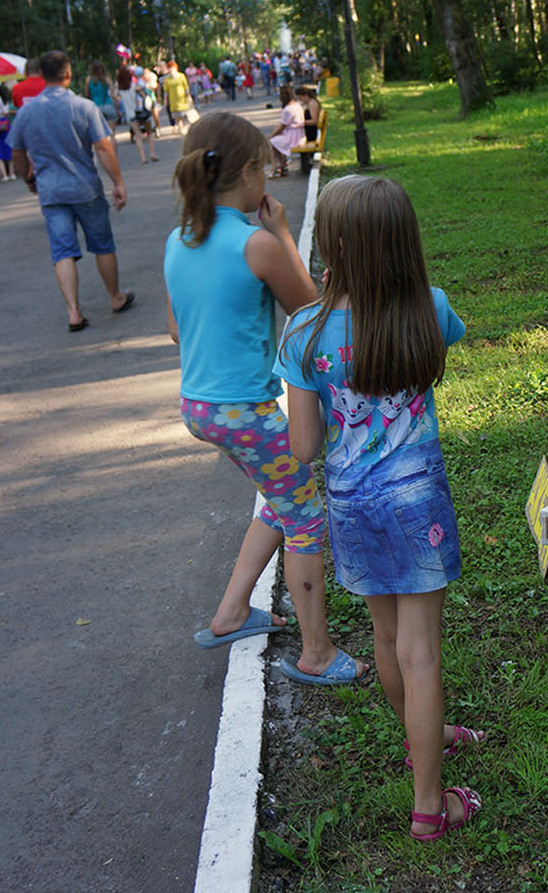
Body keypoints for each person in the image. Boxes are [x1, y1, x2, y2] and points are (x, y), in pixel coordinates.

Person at [275, 175, 484, 840]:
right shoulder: (431, 306)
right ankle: (430, 803)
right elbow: (438, 344)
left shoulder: (305, 330)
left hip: (352, 503)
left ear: (332, 246)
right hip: (417, 496)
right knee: (422, 651)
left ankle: (422, 740)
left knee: (388, 640)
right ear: (401, 241)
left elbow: (305, 445)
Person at [164, 111, 367, 686]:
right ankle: (317, 654)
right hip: (245, 412)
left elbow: (178, 331)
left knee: (281, 496)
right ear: (250, 172)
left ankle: (231, 613)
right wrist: (280, 232)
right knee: (306, 516)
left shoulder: (179, 240)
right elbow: (311, 312)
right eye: (267, 167)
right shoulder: (256, 243)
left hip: (200, 408)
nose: (270, 178)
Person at [9, 50, 135, 331]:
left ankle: (74, 312)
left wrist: (28, 178)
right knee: (102, 245)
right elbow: (103, 147)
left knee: (62, 251)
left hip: (51, 192)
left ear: (42, 75)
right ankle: (115, 297)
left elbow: (17, 150)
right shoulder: (84, 106)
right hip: (85, 189)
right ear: (67, 74)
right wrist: (117, 182)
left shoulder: (27, 112)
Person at [268, 85, 305, 177]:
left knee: (271, 142)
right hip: (300, 134)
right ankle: (283, 165)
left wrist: (272, 135)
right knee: (276, 141)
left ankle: (276, 168)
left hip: (293, 137)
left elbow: (282, 126)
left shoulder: (288, 109)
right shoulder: (297, 105)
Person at [85, 61, 118, 139]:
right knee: (112, 134)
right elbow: (113, 95)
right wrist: (117, 108)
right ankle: (113, 150)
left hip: (95, 107)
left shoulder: (88, 80)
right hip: (108, 105)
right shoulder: (107, 79)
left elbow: (87, 95)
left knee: (101, 136)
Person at [161, 60, 192, 133]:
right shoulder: (167, 79)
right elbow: (166, 91)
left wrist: (189, 96)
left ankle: (184, 127)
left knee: (184, 114)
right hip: (173, 99)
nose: (171, 69)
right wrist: (165, 100)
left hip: (182, 98)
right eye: (169, 68)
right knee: (177, 116)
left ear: (176, 68)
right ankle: (180, 127)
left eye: (172, 67)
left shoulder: (181, 76)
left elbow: (186, 87)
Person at [0, 86, 14, 181]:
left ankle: (4, 175)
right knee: (8, 146)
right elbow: (6, 112)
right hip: (5, 123)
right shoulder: (5, 100)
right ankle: (12, 173)